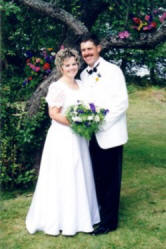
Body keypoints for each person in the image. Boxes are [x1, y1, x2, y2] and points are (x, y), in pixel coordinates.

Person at [26, 48, 100, 236]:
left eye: (74, 64)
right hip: (63, 137)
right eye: (67, 65)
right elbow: (54, 113)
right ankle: (60, 220)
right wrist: (75, 122)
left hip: (79, 138)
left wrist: (87, 120)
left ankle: (81, 218)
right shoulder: (57, 87)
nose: (72, 67)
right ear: (61, 67)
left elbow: (87, 107)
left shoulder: (82, 84)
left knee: (79, 173)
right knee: (64, 175)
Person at [80, 34, 128, 235]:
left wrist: (101, 123)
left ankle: (109, 223)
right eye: (83, 50)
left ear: (98, 48)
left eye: (89, 49)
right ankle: (100, 214)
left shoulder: (113, 70)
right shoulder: (83, 75)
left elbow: (122, 103)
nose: (86, 53)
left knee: (110, 179)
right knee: (97, 177)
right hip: (92, 135)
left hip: (111, 133)